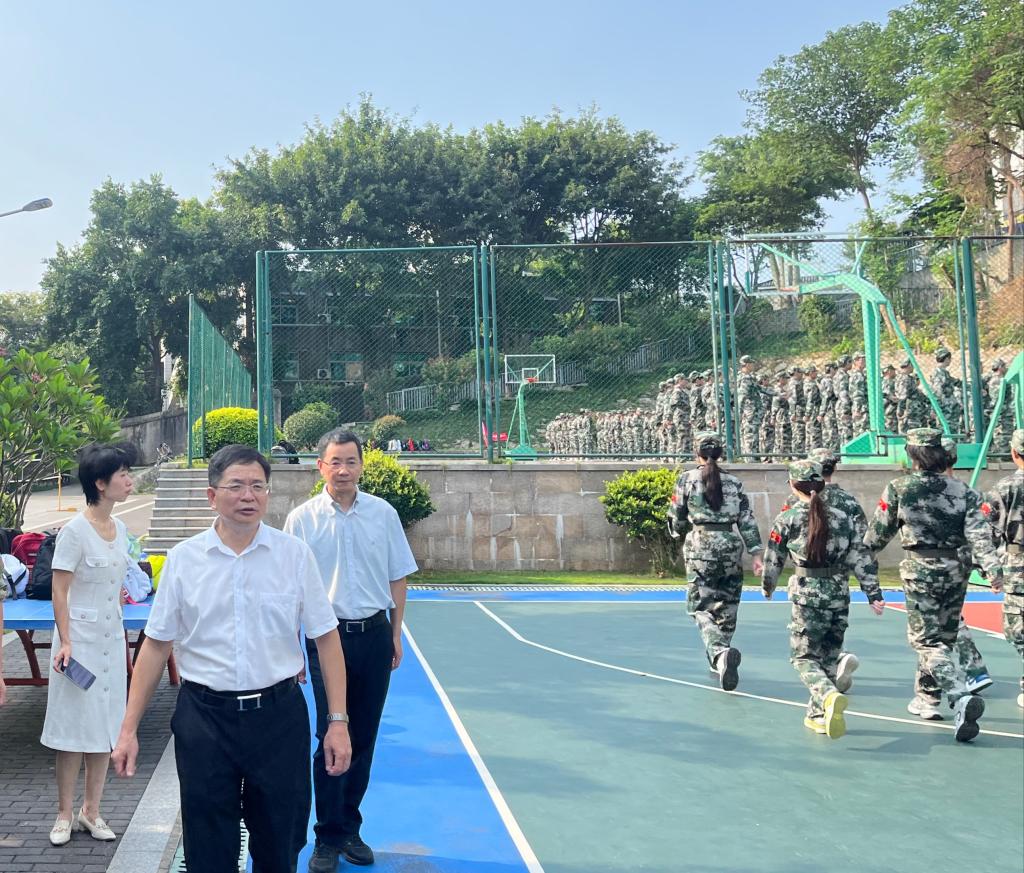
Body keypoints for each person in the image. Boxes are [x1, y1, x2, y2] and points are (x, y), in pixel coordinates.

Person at [111, 445, 352, 873]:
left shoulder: (294, 555)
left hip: (278, 719)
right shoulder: (184, 560)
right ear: (211, 496)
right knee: (207, 848)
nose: (248, 496)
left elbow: (327, 638)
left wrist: (337, 722)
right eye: (236, 486)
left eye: (258, 486)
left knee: (280, 842)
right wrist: (128, 729)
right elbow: (156, 645)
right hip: (205, 720)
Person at [285, 429, 418, 872]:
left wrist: (395, 633)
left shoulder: (383, 513)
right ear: (320, 467)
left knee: (363, 737)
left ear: (362, 465)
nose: (343, 470)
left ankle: (349, 829)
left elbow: (398, 576)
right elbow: (289, 589)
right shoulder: (302, 519)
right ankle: (325, 836)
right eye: (335, 462)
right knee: (331, 734)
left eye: (351, 461)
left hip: (374, 636)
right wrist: (293, 648)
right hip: (327, 640)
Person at [865, 428, 1004, 742]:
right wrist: (993, 570)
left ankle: (959, 696)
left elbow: (877, 535)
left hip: (920, 570)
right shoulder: (964, 490)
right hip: (956, 570)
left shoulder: (899, 488)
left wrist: (861, 563)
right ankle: (927, 698)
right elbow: (979, 536)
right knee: (942, 638)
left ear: (912, 455)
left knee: (927, 642)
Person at [40, 443, 136, 847]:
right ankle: (64, 814)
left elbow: (117, 589)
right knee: (72, 732)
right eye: (123, 474)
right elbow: (59, 591)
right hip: (77, 647)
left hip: (110, 642)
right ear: (100, 483)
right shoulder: (74, 532)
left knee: (104, 729)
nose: (130, 480)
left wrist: (122, 637)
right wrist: (66, 641)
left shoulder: (121, 530)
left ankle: (91, 811)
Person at [761, 460, 884, 738]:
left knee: (803, 657)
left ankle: (828, 695)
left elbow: (773, 557)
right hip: (839, 594)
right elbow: (860, 557)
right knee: (828, 657)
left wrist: (768, 586)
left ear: (794, 486)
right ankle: (818, 715)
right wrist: (873, 592)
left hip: (807, 595)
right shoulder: (843, 517)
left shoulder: (788, 518)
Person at [669, 432, 764, 690]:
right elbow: (746, 520)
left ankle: (720, 653)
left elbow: (677, 517)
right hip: (730, 544)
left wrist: (678, 533)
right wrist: (756, 553)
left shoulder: (686, 479)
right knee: (728, 604)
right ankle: (720, 659)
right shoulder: (734, 482)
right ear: (721, 453)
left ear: (696, 453)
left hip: (701, 544)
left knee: (699, 607)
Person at [983, 428, 1024, 709]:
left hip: (1018, 567)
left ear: (1013, 453)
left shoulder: (1006, 487)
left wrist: (991, 570)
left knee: (1016, 628)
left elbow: (987, 531)